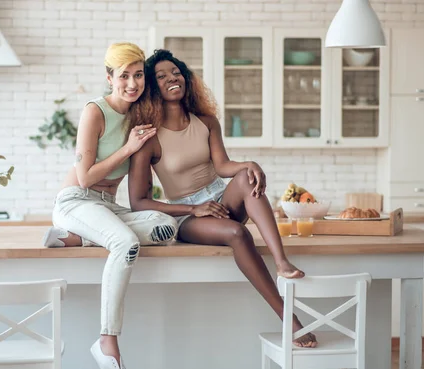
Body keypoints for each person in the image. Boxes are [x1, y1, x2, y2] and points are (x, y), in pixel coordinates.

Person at [126, 49, 317, 348]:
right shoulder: (147, 138)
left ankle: (281, 262)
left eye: (176, 72)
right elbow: (138, 202)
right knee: (236, 232)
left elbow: (223, 167)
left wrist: (247, 165)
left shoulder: (206, 121)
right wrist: (194, 208)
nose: (172, 78)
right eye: (161, 76)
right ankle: (288, 319)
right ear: (152, 89)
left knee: (245, 177)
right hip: (188, 215)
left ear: (185, 77)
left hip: (220, 199)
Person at [50, 42, 179, 369]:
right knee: (124, 243)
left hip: (107, 208)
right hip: (76, 201)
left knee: (166, 226)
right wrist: (129, 147)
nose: (132, 83)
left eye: (138, 75)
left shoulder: (141, 115)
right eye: (124, 76)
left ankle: (79, 237)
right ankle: (107, 341)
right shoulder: (95, 111)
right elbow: (85, 177)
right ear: (109, 77)